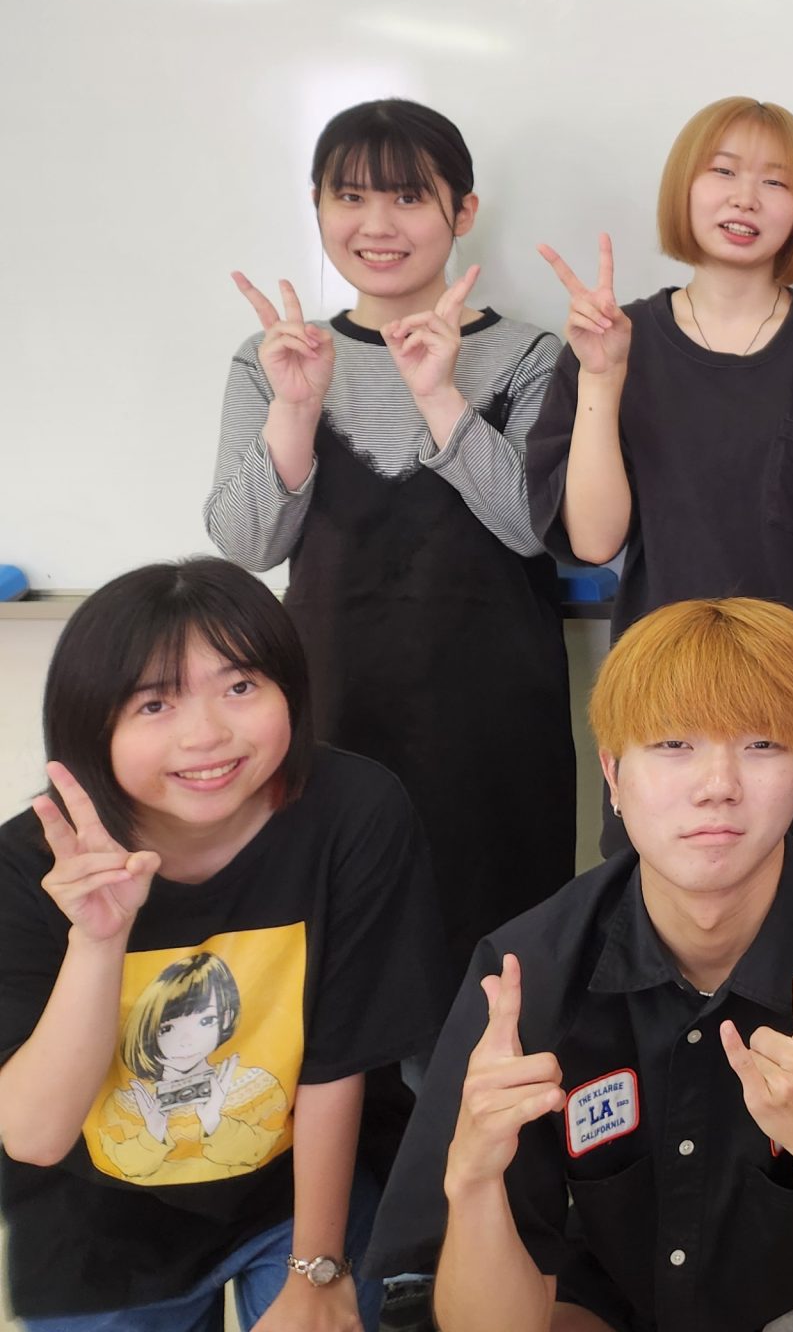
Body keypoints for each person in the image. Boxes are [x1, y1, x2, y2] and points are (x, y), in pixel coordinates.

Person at [364, 596, 793, 1332]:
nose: (718, 785)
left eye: (762, 745)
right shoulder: (529, 972)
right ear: (613, 776)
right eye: (674, 744)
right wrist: (475, 1178)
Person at [0, 558, 444, 1330]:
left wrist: (318, 1270)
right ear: (91, 725)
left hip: (298, 1192)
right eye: (155, 703)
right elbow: (35, 1136)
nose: (206, 734)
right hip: (99, 1226)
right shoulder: (29, 867)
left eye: (240, 687)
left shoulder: (352, 813)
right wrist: (98, 942)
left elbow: (337, 1060)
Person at [526, 97, 793, 907]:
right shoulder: (611, 341)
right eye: (723, 172)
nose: (746, 198)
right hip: (673, 732)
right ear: (684, 187)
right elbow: (596, 540)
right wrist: (602, 379)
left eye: (775, 182)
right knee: (683, 964)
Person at [209, 98, 569, 985]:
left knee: (495, 967)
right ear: (318, 205)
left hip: (493, 722)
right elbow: (247, 543)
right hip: (331, 705)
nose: (377, 225)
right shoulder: (273, 358)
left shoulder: (533, 355)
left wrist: (439, 394)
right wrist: (296, 408)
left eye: (409, 197)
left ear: (463, 211)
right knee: (340, 956)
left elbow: (533, 529)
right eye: (350, 197)